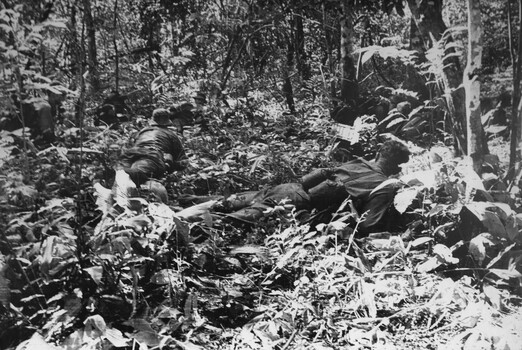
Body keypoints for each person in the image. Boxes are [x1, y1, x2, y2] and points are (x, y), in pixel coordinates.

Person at [220, 140, 411, 234]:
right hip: (297, 206)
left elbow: (319, 174)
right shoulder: (386, 186)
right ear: (399, 167)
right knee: (225, 223)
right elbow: (367, 225)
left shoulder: (359, 162)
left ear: (378, 154)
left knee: (221, 203)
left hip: (287, 188)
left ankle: (190, 202)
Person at [118, 108, 186, 186]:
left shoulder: (143, 131)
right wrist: (170, 163)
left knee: (121, 172)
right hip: (152, 156)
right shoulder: (171, 135)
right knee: (135, 173)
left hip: (132, 153)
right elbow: (183, 162)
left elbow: (130, 145)